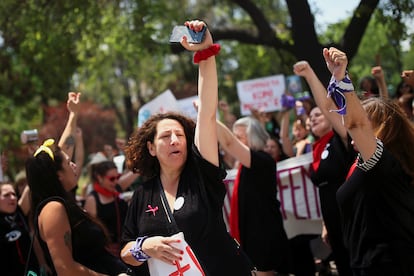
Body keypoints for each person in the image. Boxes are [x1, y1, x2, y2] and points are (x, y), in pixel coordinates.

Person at [120, 20, 252, 275]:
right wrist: (146, 246)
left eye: (179, 135)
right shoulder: (142, 195)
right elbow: (126, 252)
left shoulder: (201, 174)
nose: (174, 140)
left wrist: (205, 54)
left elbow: (207, 113)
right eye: (166, 136)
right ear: (150, 148)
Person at [323, 47, 414, 275]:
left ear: (384, 129)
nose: (348, 128)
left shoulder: (385, 164)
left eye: (366, 124)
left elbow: (356, 124)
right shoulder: (377, 167)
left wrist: (341, 77)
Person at [26, 138, 129, 275]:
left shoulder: (64, 203)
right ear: (59, 175)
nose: (74, 166)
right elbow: (66, 270)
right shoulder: (53, 209)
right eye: (69, 162)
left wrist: (73, 117)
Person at [293, 60, 357, 275]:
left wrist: (309, 74)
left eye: (318, 114)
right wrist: (325, 224)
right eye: (310, 118)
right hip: (333, 222)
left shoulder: (342, 139)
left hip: (352, 217)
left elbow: (328, 108)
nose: (313, 119)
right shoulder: (316, 148)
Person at [216, 116, 291, 275]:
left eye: (239, 137)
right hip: (252, 233)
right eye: (234, 136)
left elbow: (229, 143)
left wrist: (208, 117)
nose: (235, 141)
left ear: (253, 137)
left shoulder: (262, 160)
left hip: (264, 235)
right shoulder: (245, 165)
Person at [84, 160, 129, 256]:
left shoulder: (116, 192)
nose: (116, 181)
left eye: (118, 177)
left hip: (125, 248)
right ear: (100, 178)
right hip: (105, 253)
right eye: (112, 179)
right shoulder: (93, 199)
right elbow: (90, 232)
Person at [0, 182, 40, 276]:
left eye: (14, 194)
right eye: (6, 195)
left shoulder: (20, 213)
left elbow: (31, 183)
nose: (12, 198)